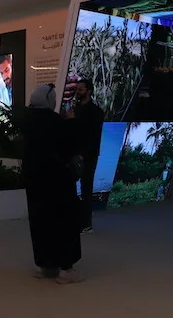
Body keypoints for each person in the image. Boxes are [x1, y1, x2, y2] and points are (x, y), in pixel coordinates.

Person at [21, 84, 83, 284]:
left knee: (40, 222)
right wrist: (71, 122)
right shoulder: (56, 122)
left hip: (34, 180)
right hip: (57, 181)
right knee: (63, 222)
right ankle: (66, 269)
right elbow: (68, 148)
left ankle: (44, 265)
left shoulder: (28, 120)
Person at [65, 78, 104, 234]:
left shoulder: (95, 112)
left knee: (86, 189)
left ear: (89, 91)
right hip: (74, 153)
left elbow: (93, 136)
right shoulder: (75, 109)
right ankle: (75, 220)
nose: (77, 93)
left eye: (81, 90)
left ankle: (86, 224)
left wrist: (83, 154)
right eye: (77, 89)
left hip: (87, 155)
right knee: (71, 187)